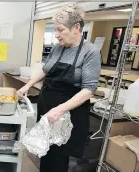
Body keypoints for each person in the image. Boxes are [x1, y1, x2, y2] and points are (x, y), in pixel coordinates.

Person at [17, 4, 101, 172]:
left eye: (60, 30)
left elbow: (89, 89)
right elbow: (45, 69)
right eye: (55, 30)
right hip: (48, 108)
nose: (56, 35)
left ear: (76, 27)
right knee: (46, 152)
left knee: (61, 156)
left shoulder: (90, 52)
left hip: (68, 114)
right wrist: (27, 85)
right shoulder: (58, 48)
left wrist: (60, 110)